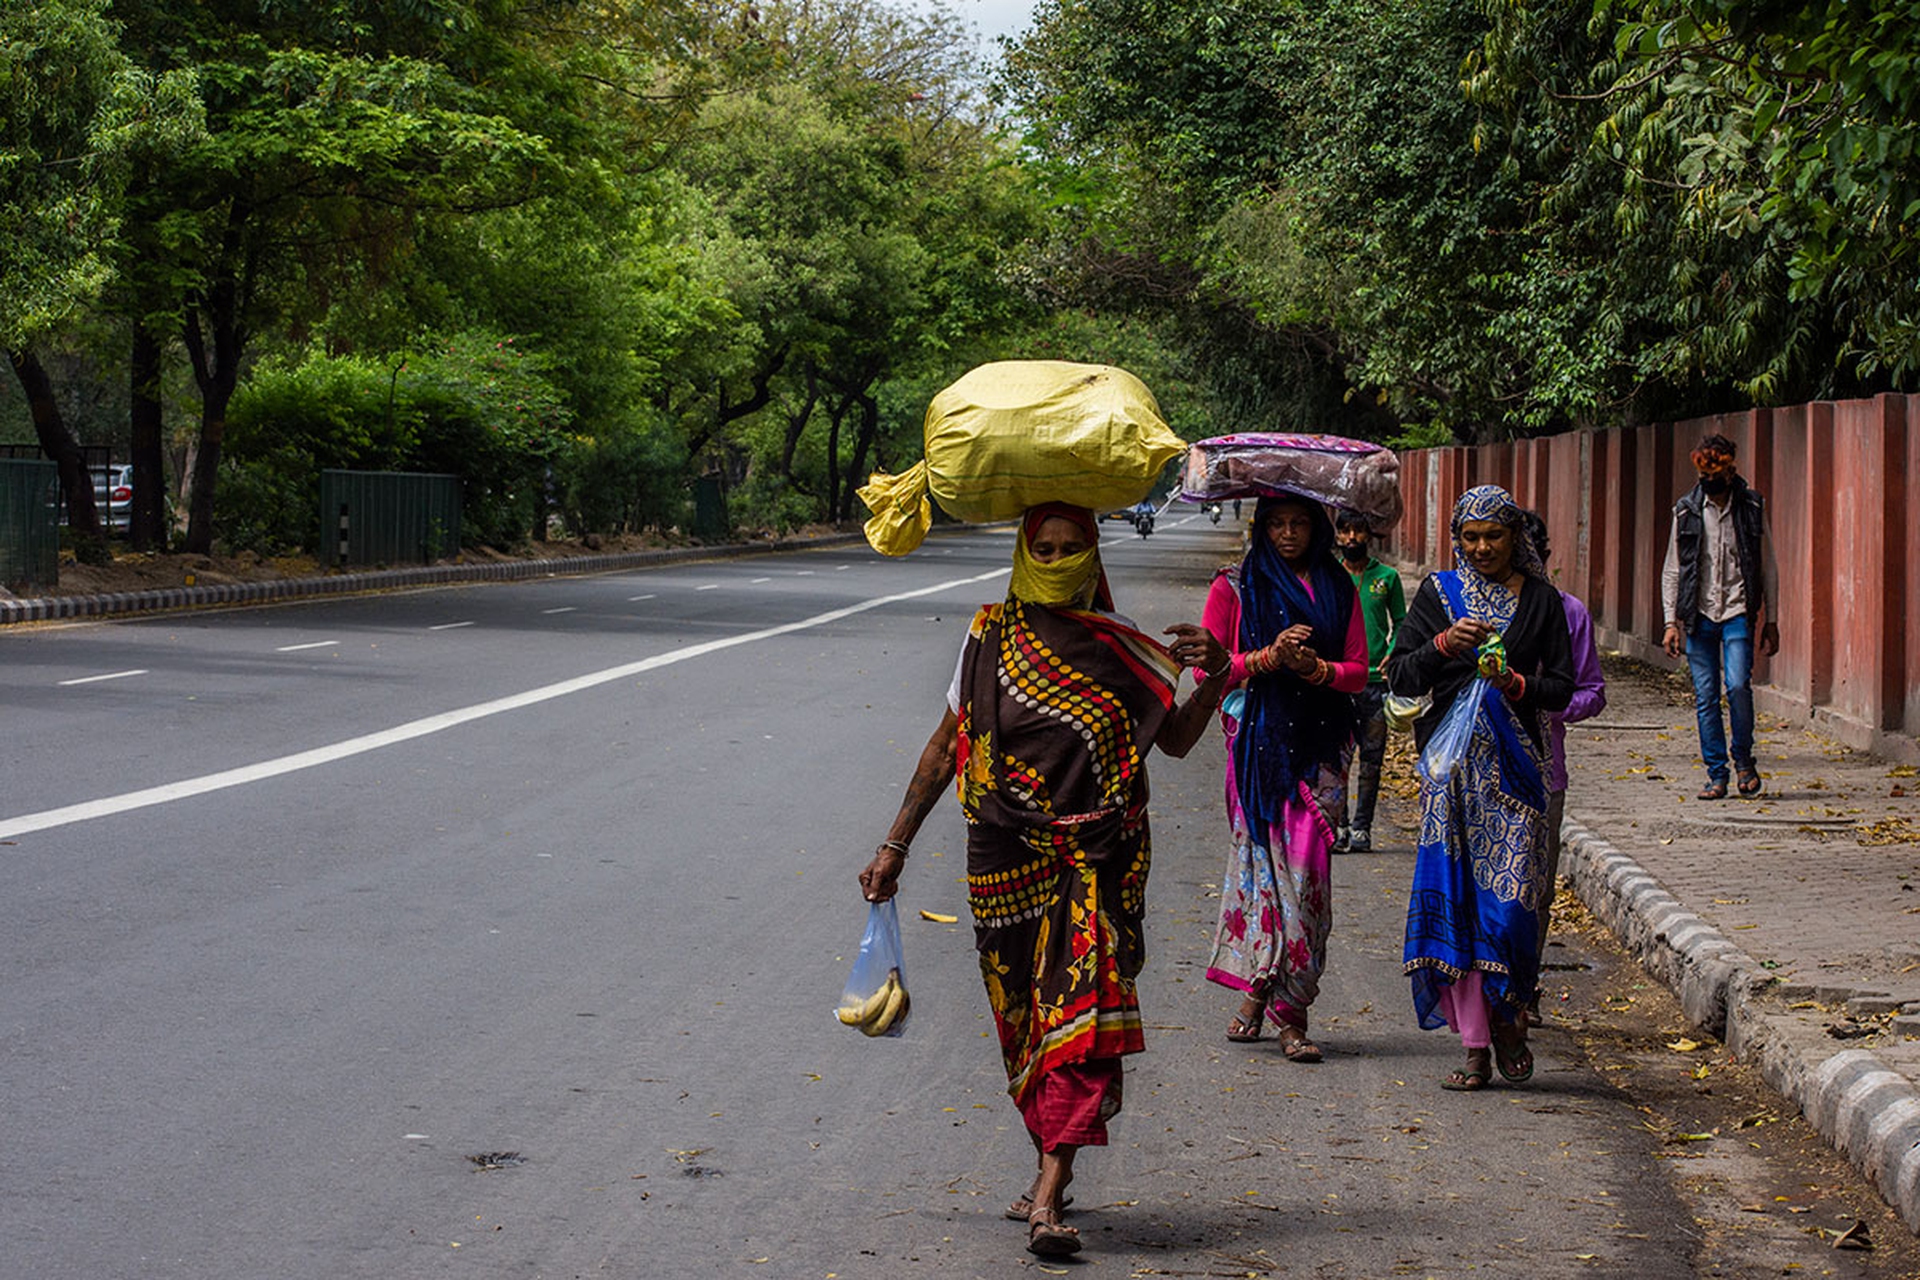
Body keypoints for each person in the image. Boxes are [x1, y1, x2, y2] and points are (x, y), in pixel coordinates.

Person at [857, 502, 1227, 1259]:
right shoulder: (988, 634)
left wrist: (1216, 675)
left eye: (1072, 549)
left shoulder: (1126, 651)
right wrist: (895, 843)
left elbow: (1179, 741)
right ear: (1024, 554)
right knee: (1023, 1024)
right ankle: (1047, 1156)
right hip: (1003, 859)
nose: (1057, 562)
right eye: (1044, 548)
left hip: (1098, 861)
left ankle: (1050, 1196)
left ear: (1095, 558)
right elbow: (948, 744)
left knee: (1083, 1022)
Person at [1386, 485, 1575, 1091]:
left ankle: (1509, 1016)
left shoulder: (1543, 602)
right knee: (1460, 909)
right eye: (1471, 537)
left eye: (1494, 535)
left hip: (1517, 780)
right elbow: (1401, 673)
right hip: (1451, 781)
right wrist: (1443, 646)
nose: (1483, 546)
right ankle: (1474, 1047)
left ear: (1515, 537)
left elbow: (1564, 688)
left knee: (1512, 906)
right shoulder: (1438, 597)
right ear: (1457, 541)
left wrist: (1517, 684)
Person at [1198, 495, 1369, 1063]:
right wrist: (1267, 658)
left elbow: (1358, 671)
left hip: (1321, 753)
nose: (1288, 534)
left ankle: (1286, 1001)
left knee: (1309, 881)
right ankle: (1276, 1009)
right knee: (1265, 878)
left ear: (1318, 528)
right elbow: (1209, 667)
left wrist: (1314, 669)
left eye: (1299, 523)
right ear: (1261, 527)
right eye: (1277, 524)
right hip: (1258, 753)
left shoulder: (1339, 587)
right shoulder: (1236, 586)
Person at [1518, 510, 1606, 1024]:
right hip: (1478, 769)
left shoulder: (1569, 614)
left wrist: (1546, 703)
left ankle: (1524, 985)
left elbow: (1592, 692)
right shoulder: (1469, 612)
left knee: (1538, 887)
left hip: (1544, 773)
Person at [1660, 434, 1781, 799]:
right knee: (1706, 695)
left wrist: (1772, 619)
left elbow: (1768, 567)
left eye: (1717, 475)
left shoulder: (1753, 507)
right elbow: (1673, 569)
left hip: (1738, 611)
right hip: (1699, 617)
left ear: (1731, 472)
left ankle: (1744, 760)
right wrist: (1670, 622)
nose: (1710, 484)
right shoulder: (1686, 511)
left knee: (1739, 687)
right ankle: (1717, 774)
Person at [1333, 509, 1407, 853]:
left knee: (1372, 759)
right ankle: (1338, 824)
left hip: (1377, 681)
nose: (1351, 538)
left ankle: (1362, 828)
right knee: (1337, 757)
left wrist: (1393, 651)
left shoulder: (1387, 578)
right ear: (1337, 536)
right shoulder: (1330, 576)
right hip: (1337, 680)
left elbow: (1402, 623)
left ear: (1369, 536)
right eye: (1345, 531)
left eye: (1358, 532)